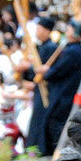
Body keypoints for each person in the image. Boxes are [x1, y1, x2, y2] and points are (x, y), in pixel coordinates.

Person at [38, 19, 81, 156]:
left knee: (56, 121)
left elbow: (58, 70)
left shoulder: (73, 51)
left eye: (70, 29)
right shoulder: (72, 49)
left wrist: (46, 72)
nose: (67, 31)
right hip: (65, 91)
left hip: (65, 92)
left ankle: (58, 152)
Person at [22, 16, 58, 154]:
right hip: (39, 88)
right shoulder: (41, 46)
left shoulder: (51, 47)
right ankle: (33, 149)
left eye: (39, 29)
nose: (37, 31)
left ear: (46, 31)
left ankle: (38, 149)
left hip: (46, 89)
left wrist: (30, 68)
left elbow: (44, 69)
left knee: (40, 119)